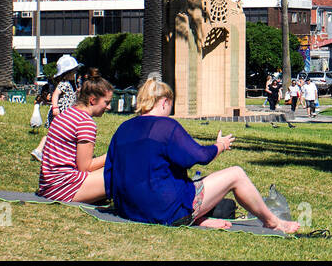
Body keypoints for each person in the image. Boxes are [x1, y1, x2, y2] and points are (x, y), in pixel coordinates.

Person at [104, 77, 300, 232]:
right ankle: (272, 221)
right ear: (164, 102)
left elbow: (109, 174)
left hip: (128, 209)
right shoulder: (166, 126)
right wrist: (220, 146)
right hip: (163, 211)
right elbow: (199, 156)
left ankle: (199, 219)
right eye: (171, 105)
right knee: (236, 174)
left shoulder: (123, 128)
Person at [38, 76, 113, 203]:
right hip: (63, 188)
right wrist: (112, 155)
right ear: (93, 100)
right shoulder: (85, 123)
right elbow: (85, 167)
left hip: (48, 185)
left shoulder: (66, 115)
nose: (109, 107)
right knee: (121, 171)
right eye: (106, 102)